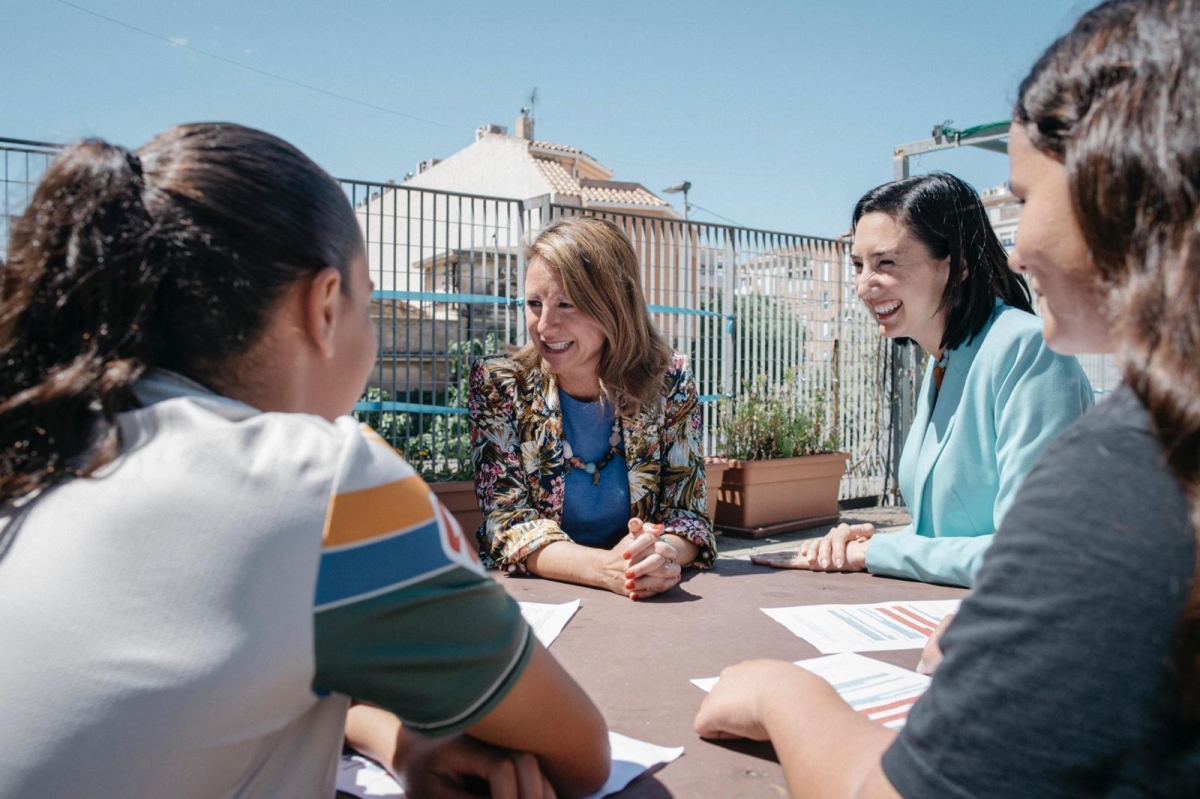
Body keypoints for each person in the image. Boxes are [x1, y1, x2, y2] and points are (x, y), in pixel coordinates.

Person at [0, 124, 609, 798]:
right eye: (367, 304)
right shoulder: (326, 481)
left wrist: (399, 741)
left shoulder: (42, 441)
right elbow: (581, 754)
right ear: (322, 308)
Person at [694, 1, 1200, 795]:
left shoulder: (1052, 376)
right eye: (856, 265)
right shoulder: (937, 364)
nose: (865, 285)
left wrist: (784, 686)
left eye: (1025, 201)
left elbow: (1019, 548)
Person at [753, 172, 1092, 587]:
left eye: (886, 263)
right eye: (858, 266)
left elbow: (1032, 553)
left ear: (957, 265)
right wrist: (870, 543)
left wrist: (874, 553)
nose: (863, 287)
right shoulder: (945, 361)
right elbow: (949, 534)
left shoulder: (1028, 349)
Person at [470, 216, 716, 600]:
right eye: (534, 304)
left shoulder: (670, 380)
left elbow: (689, 517)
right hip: (536, 600)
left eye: (566, 304)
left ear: (613, 306)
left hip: (644, 596)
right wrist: (606, 569)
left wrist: (655, 555)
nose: (544, 326)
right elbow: (507, 523)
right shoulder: (499, 384)